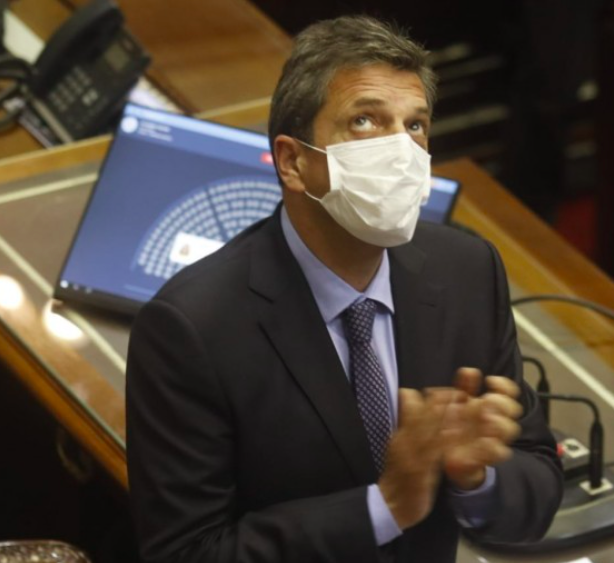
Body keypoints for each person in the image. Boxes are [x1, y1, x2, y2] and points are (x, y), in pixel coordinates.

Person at [126, 15, 562, 563]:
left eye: (415, 125)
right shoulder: (191, 328)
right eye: (364, 121)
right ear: (293, 162)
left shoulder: (467, 272)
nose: (401, 150)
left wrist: (477, 478)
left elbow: (538, 483)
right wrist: (384, 507)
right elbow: (187, 553)